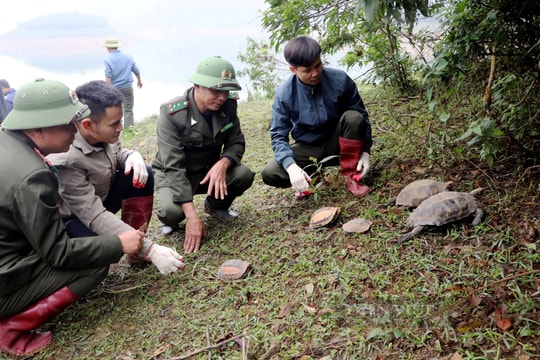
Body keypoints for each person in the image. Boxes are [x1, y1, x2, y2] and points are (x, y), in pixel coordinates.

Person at [0, 78, 144, 356]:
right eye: (67, 124)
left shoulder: (8, 141)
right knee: (96, 263)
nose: (74, 130)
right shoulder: (33, 175)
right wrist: (118, 245)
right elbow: (58, 253)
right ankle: (10, 326)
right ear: (37, 129)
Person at [47, 80, 185, 275]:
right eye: (115, 124)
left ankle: (135, 250)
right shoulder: (67, 159)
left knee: (142, 174)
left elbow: (117, 153)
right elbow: (92, 215)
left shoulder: (102, 134)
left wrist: (132, 156)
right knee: (101, 259)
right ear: (88, 125)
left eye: (120, 120)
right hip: (76, 219)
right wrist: (151, 249)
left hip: (101, 198)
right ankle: (133, 246)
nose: (120, 128)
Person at [152, 56, 255, 253]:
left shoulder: (229, 106)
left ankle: (215, 206)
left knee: (243, 175)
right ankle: (175, 218)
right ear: (197, 86)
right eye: (216, 90)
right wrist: (191, 216)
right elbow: (173, 165)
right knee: (170, 213)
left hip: (208, 171)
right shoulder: (172, 113)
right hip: (175, 174)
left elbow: (236, 142)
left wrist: (223, 163)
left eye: (225, 91)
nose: (222, 97)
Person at [261, 35, 373, 199]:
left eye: (318, 65)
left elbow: (362, 116)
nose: (315, 73)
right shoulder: (284, 93)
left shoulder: (340, 80)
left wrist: (366, 151)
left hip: (339, 142)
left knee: (354, 117)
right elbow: (278, 135)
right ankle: (309, 179)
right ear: (293, 70)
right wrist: (291, 167)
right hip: (308, 148)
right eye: (307, 70)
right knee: (270, 172)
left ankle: (352, 176)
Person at [103, 37, 142, 128]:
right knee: (128, 109)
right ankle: (129, 130)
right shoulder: (128, 57)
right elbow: (136, 70)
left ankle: (117, 129)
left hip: (115, 89)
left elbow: (108, 76)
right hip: (127, 88)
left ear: (108, 47)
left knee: (115, 110)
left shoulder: (108, 59)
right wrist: (139, 81)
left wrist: (106, 90)